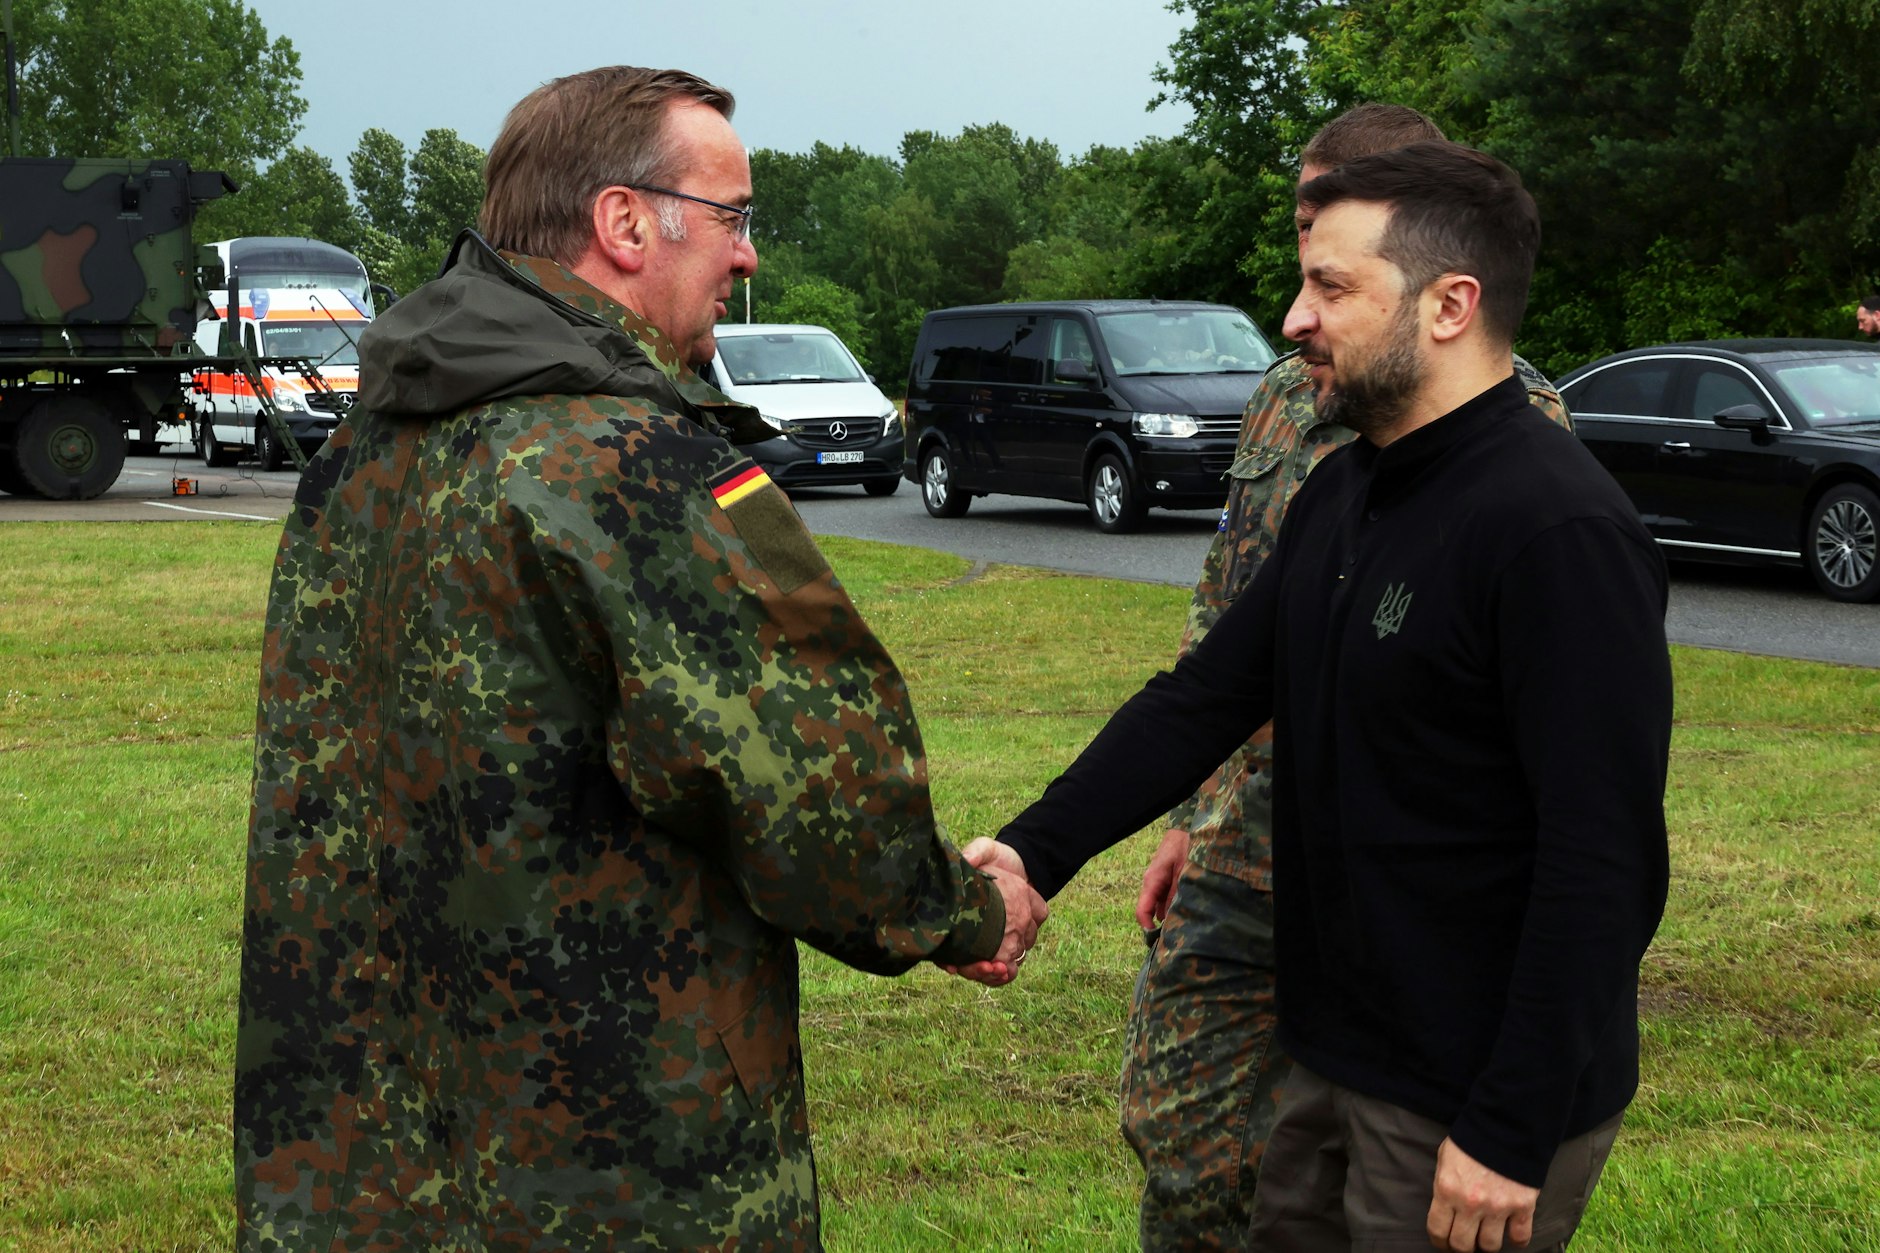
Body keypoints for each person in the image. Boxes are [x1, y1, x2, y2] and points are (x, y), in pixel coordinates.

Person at [233, 66, 1045, 1251]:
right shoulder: (624, 460)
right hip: (604, 1156)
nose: (748, 256)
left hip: (365, 1150)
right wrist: (965, 908)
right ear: (623, 223)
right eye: (733, 217)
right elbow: (810, 787)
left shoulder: (365, 451)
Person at [976, 140, 1672, 1251]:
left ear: (1449, 305)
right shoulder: (1348, 488)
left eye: (1330, 286)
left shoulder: (1555, 531)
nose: (1294, 318)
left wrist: (1508, 1124)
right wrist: (1032, 851)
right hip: (1333, 1053)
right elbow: (1203, 697)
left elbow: (1604, 861)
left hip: (1464, 1092)